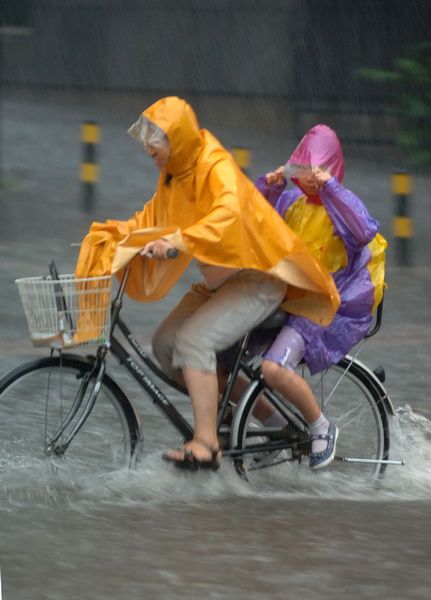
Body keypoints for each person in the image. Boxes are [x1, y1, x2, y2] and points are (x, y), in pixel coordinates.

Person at [75, 98, 340, 471]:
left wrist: (178, 242)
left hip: (258, 277)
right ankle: (266, 420)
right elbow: (151, 217)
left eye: (157, 138)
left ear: (179, 138)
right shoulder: (173, 175)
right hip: (223, 283)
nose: (149, 147)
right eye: (146, 139)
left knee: (193, 342)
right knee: (166, 346)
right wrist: (111, 238)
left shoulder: (214, 164)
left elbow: (227, 213)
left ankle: (206, 442)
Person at [254, 124, 387, 470]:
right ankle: (272, 429)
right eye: (305, 169)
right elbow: (257, 226)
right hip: (286, 296)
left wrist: (330, 188)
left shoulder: (342, 204)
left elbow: (362, 230)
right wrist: (269, 189)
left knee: (273, 366)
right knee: (225, 359)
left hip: (322, 304)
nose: (310, 179)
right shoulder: (292, 201)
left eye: (319, 171)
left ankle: (320, 426)